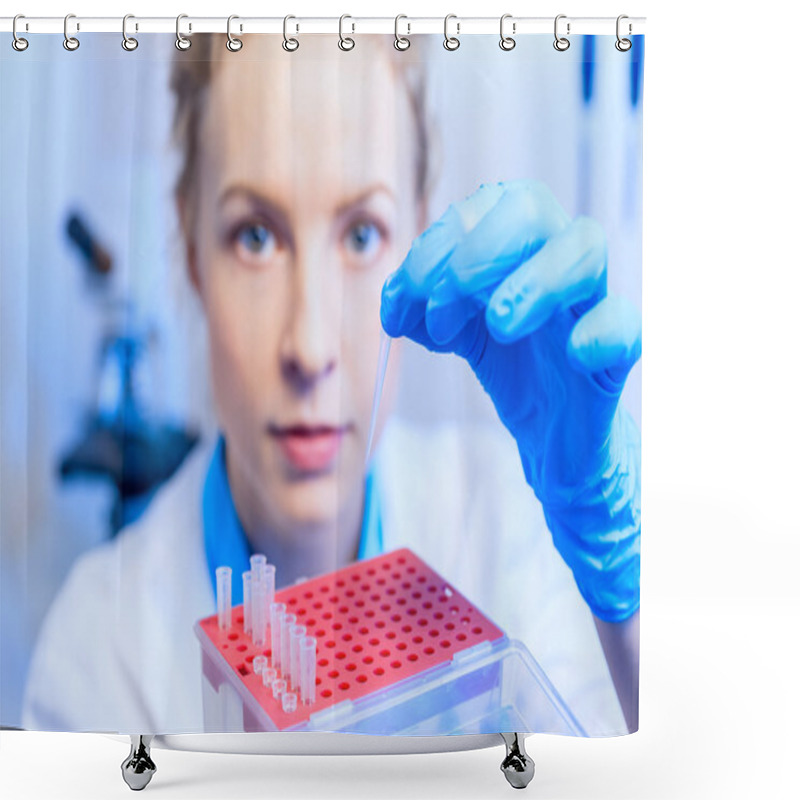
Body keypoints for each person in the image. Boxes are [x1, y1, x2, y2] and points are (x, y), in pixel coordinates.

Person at [22, 32, 641, 737]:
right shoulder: (99, 650)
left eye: (361, 235)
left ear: (417, 230)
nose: (310, 347)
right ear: (190, 252)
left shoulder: (509, 527)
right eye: (254, 236)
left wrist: (628, 602)